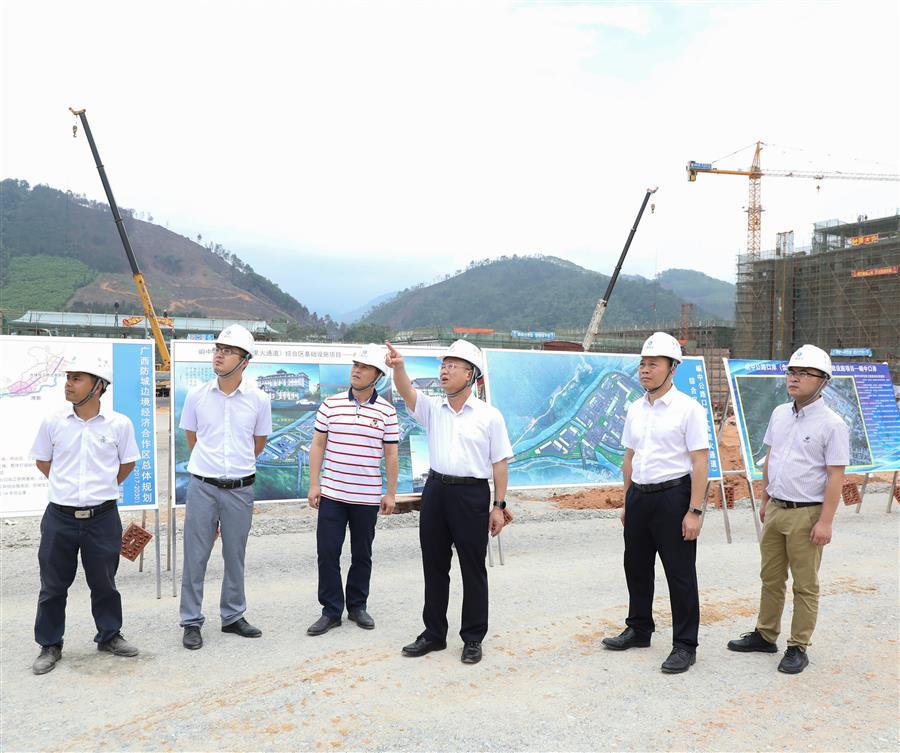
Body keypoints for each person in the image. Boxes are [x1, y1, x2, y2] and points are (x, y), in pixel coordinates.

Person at [385, 339, 512, 665]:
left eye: (453, 366)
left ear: (470, 374)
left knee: (473, 568)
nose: (445, 370)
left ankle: (473, 638)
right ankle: (433, 634)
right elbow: (406, 392)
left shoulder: (489, 416)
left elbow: (499, 463)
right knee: (434, 565)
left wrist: (498, 506)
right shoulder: (433, 408)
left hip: (471, 494)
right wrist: (399, 368)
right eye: (444, 365)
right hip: (436, 491)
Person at [727, 344, 848, 674]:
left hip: (807, 514)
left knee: (805, 584)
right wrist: (765, 499)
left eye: (804, 373)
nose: (794, 378)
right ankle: (765, 634)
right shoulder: (780, 413)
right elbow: (771, 457)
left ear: (823, 380)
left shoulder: (832, 424)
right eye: (792, 372)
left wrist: (826, 522)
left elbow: (836, 476)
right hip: (777, 508)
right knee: (771, 577)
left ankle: (798, 646)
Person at [601, 332, 709, 674]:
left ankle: (685, 645)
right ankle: (639, 628)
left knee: (679, 573)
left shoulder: (689, 409)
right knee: (636, 566)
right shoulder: (635, 408)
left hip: (673, 497)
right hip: (639, 496)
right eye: (642, 364)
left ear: (672, 368)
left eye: (653, 364)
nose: (645, 370)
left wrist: (694, 511)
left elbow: (700, 463)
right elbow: (629, 457)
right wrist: (627, 500)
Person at [29, 356, 141, 675]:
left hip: (102, 517)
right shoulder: (53, 422)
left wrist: (100, 489)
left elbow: (127, 463)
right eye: (69, 377)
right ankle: (49, 644)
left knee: (104, 582)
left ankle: (109, 635)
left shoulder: (119, 424)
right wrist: (67, 490)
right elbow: (43, 461)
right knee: (53, 585)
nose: (68, 383)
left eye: (77, 378)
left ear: (98, 387)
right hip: (59, 517)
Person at [178, 325, 272, 650]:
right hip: (203, 487)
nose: (219, 354)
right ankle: (191, 620)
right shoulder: (197, 396)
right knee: (195, 556)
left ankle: (232, 615)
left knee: (235, 554)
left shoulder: (259, 399)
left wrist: (233, 469)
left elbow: (257, 443)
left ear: (245, 361)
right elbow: (192, 439)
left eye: (228, 350)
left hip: (240, 489)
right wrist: (212, 467)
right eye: (218, 348)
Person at [306, 344, 399, 636]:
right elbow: (318, 444)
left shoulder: (387, 411)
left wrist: (391, 493)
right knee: (327, 553)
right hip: (333, 494)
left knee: (362, 554)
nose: (356, 370)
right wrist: (314, 483)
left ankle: (357, 606)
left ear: (377, 375)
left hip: (366, 497)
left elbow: (391, 454)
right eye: (355, 365)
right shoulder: (330, 405)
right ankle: (331, 611)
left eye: (364, 367)